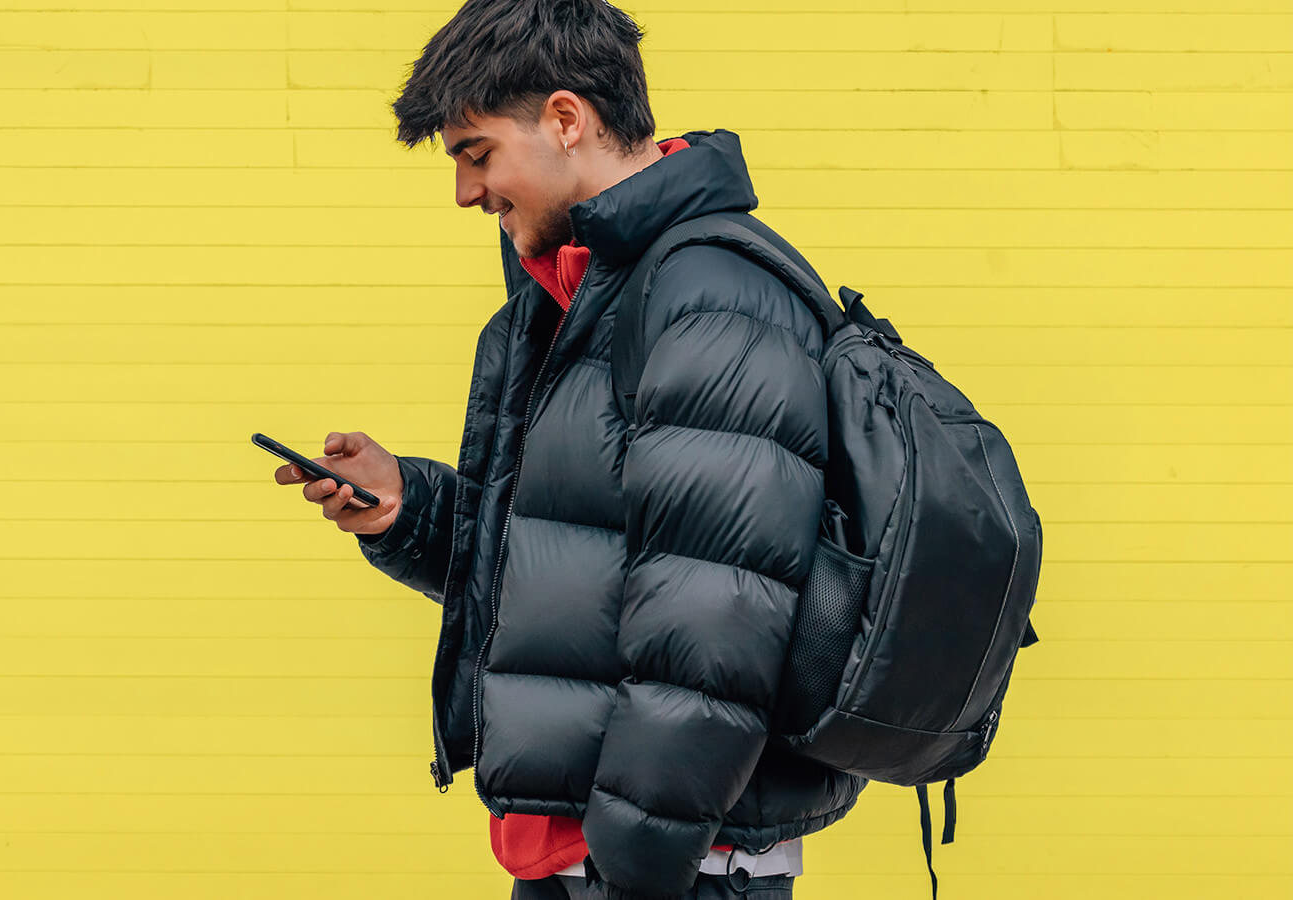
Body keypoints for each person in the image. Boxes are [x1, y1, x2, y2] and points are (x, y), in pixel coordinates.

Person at [271, 2, 867, 897]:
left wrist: (630, 857)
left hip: (666, 868)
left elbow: (717, 623)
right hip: (583, 855)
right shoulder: (572, 296)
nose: (466, 192)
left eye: (477, 154)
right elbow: (567, 566)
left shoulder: (708, 296)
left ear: (564, 119)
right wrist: (408, 507)